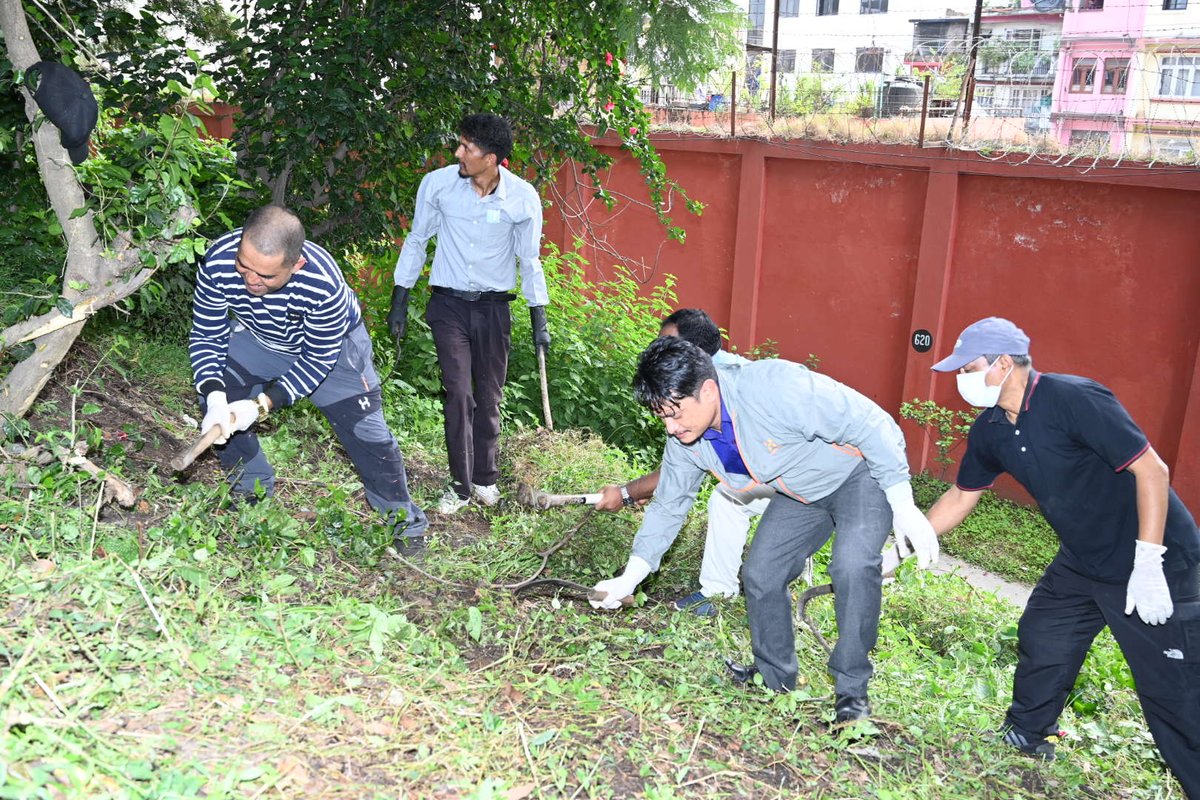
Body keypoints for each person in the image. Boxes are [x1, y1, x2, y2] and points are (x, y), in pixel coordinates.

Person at [590, 336, 940, 723]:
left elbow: (871, 423)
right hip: (800, 491)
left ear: (707, 390)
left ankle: (851, 695)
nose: (671, 428)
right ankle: (775, 678)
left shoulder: (774, 388)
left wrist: (902, 503)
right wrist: (630, 576)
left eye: (675, 413)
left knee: (852, 566)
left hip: (858, 475)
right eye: (663, 418)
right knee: (760, 573)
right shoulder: (687, 442)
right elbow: (669, 505)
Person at [918, 317, 1199, 792]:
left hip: (1155, 560)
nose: (960, 379)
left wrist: (1148, 561)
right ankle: (1026, 735)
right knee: (1043, 637)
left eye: (968, 367)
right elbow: (963, 495)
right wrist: (907, 544)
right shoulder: (991, 429)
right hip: (1081, 559)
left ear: (1004, 363)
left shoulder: (1074, 399)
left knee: (1174, 689)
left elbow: (1151, 470)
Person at [189, 205, 428, 549]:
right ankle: (251, 485)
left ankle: (403, 523)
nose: (251, 280)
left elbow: (317, 361)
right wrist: (214, 397)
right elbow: (207, 334)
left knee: (368, 435)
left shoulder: (322, 284)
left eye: (266, 277)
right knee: (217, 390)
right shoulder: (218, 260)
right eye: (244, 267)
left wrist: (260, 406)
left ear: (295, 265)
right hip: (260, 338)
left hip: (333, 353)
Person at [388, 113, 550, 515]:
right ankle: (459, 486)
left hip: (495, 309)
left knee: (489, 395)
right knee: (458, 392)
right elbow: (417, 239)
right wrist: (399, 297)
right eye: (460, 144)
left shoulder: (522, 197)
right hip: (448, 305)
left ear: (491, 158)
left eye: (468, 148)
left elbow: (529, 260)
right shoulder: (438, 185)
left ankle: (485, 479)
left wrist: (539, 317)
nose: (458, 153)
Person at [593, 308, 776, 617]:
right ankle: (718, 593)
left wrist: (626, 493)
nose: (657, 353)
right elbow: (675, 484)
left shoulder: (748, 388)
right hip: (761, 482)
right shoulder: (682, 407)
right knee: (727, 498)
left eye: (668, 346)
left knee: (768, 570)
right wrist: (631, 577)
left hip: (808, 483)